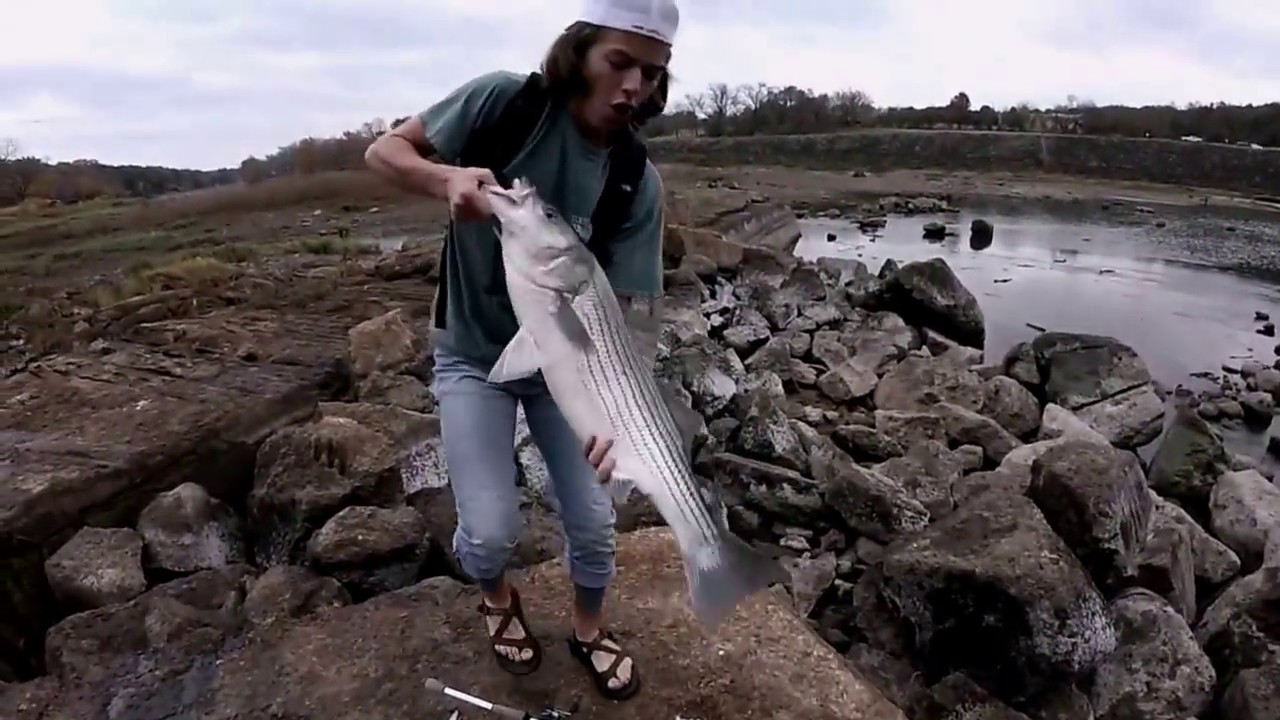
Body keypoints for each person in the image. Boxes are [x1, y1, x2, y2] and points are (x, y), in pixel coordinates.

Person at [363, 0, 679, 702]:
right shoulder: (504, 101)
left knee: (597, 524)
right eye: (619, 62)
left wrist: (623, 416)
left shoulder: (637, 181)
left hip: (567, 370)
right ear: (582, 51)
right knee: (489, 530)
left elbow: (637, 324)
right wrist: (446, 179)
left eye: (652, 73)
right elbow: (384, 152)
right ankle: (497, 597)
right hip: (474, 357)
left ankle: (589, 629)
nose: (635, 85)